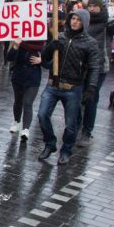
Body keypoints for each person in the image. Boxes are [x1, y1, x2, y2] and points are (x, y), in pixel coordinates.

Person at [37, 9, 100, 166]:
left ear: (84, 22)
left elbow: (94, 67)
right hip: (53, 84)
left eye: (78, 20)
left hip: (73, 87)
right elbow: (44, 57)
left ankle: (66, 151)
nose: (75, 22)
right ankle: (50, 144)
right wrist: (52, 47)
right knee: (42, 115)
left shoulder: (90, 43)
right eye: (73, 18)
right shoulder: (61, 37)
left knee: (71, 124)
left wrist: (91, 87)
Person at [78, 0, 114, 146]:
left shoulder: (107, 23)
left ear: (101, 7)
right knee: (78, 98)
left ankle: (87, 132)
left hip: (99, 67)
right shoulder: (83, 21)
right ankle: (76, 126)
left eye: (95, 6)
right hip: (81, 65)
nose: (92, 8)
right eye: (90, 6)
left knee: (91, 98)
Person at [5, 38, 43, 141]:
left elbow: (49, 62)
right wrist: (16, 46)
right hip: (18, 76)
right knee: (18, 101)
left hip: (33, 78)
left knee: (28, 103)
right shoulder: (19, 40)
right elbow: (9, 57)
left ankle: (26, 129)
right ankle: (16, 122)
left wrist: (41, 60)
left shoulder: (42, 44)